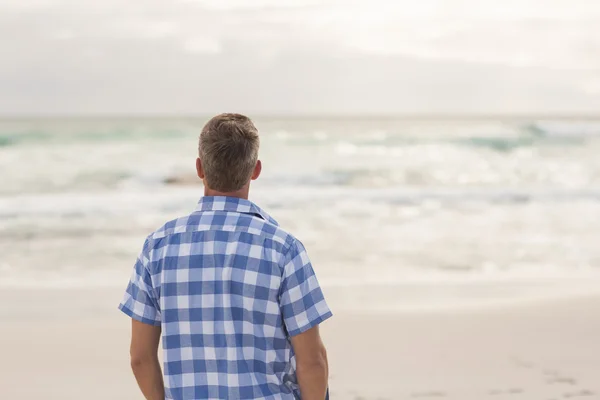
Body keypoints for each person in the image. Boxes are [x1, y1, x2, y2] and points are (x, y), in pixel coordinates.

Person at [118, 113, 332, 400]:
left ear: (199, 168)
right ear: (255, 170)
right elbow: (312, 361)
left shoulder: (157, 247)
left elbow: (140, 358)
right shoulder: (283, 248)